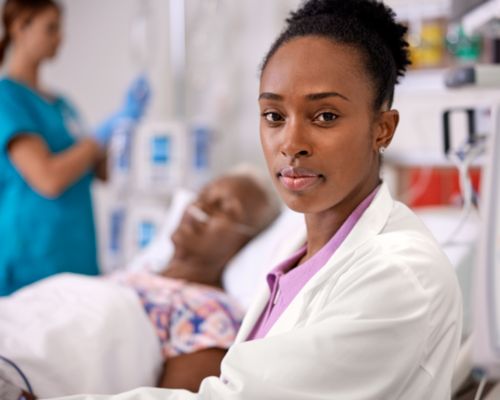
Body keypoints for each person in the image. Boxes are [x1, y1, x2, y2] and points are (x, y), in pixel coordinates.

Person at [49, 0, 463, 399]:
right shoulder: (293, 257)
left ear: (382, 129)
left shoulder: (401, 275)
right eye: (274, 116)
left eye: (325, 116)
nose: (291, 144)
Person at [0, 169, 281, 398]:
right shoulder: (134, 274)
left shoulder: (210, 312)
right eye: (203, 195)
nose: (201, 207)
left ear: (248, 241)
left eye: (224, 208)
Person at [0, 0, 150, 295]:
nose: (60, 38)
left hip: (76, 255)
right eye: (51, 28)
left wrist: (124, 131)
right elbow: (48, 179)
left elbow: (100, 171)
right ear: (20, 28)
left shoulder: (61, 104)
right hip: (33, 261)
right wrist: (99, 136)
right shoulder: (8, 99)